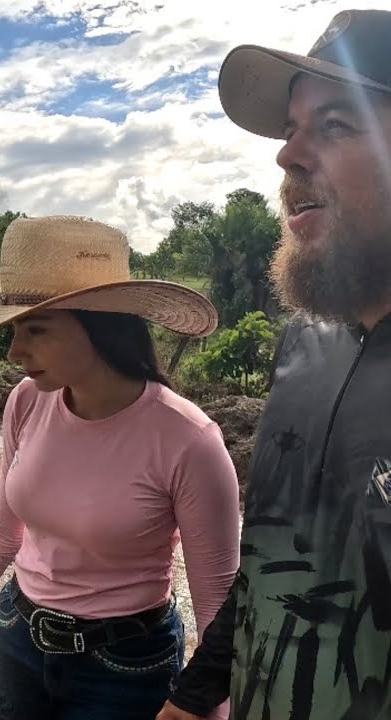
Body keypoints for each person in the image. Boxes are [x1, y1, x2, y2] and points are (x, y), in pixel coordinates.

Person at [157, 9, 391, 720]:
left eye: (335, 125)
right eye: (291, 130)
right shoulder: (303, 342)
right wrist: (191, 699)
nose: (286, 156)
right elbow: (270, 562)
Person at [0, 215, 241, 719]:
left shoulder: (189, 441)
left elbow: (216, 601)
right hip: (14, 633)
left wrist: (204, 707)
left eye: (36, 329)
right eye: (14, 329)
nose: (14, 351)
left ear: (99, 325)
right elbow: (1, 524)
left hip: (126, 665)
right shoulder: (27, 403)